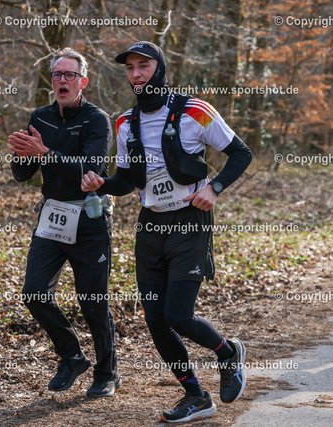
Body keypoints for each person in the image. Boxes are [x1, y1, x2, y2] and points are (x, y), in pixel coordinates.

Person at [81, 41, 252, 423]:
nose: (136, 74)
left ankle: (227, 353)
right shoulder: (126, 123)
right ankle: (195, 395)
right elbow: (126, 180)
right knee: (156, 320)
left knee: (178, 315)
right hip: (150, 225)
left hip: (190, 221)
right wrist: (101, 184)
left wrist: (214, 188)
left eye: (143, 65)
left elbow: (241, 153)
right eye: (130, 68)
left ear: (159, 68)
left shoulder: (194, 110)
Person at [8, 47, 120, 397]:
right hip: (53, 216)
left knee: (92, 301)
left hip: (89, 218)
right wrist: (21, 153)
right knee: (34, 293)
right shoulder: (39, 117)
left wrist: (45, 153)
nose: (62, 80)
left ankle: (107, 373)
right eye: (57, 74)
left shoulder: (97, 119)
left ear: (82, 82)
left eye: (70, 75)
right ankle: (72, 356)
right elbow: (22, 174)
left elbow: (91, 169)